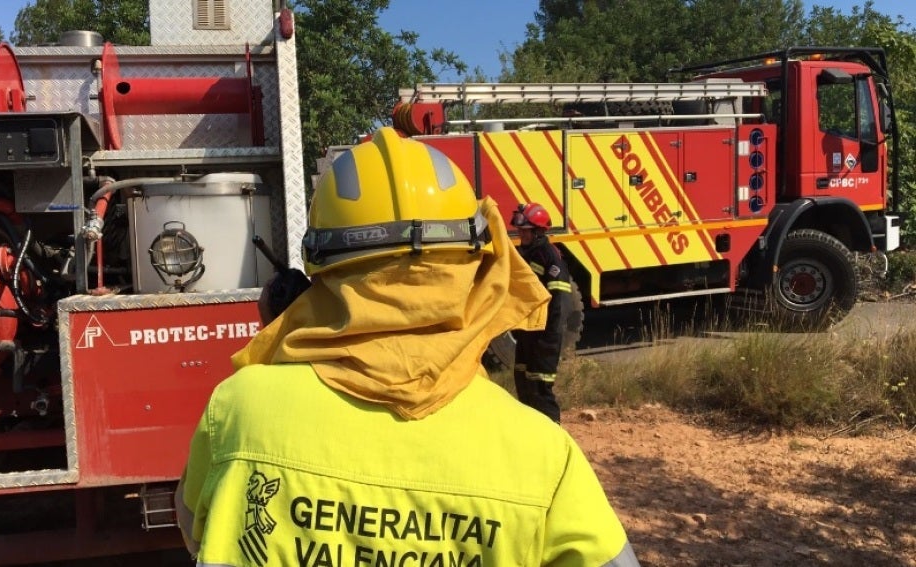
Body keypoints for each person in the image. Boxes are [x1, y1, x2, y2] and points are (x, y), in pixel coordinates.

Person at [175, 127, 639, 566]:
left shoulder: (236, 411)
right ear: (473, 263)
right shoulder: (542, 454)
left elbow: (198, 534)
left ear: (316, 266)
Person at [510, 202, 572, 424]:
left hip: (545, 337)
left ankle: (553, 438)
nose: (521, 234)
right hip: (528, 334)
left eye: (525, 230)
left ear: (537, 232)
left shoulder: (550, 258)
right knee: (523, 384)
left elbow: (559, 305)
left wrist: (548, 340)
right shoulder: (527, 254)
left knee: (540, 390)